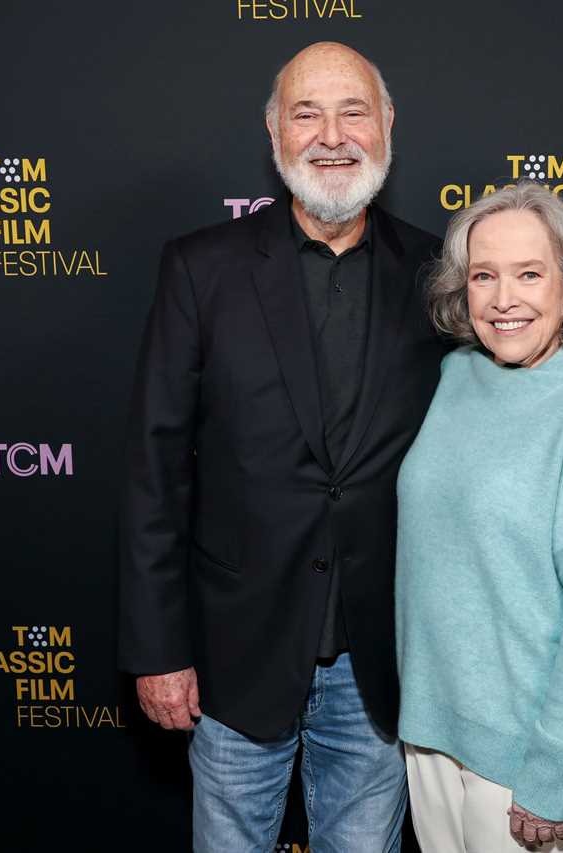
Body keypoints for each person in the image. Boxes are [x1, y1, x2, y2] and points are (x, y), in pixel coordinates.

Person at [117, 41, 445, 852]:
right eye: (307, 113)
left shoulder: (441, 271)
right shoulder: (202, 269)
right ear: (274, 135)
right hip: (235, 657)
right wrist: (159, 648)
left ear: (388, 125)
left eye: (353, 111)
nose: (332, 134)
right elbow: (154, 471)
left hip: (382, 663)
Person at [395, 182, 563, 851]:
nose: (504, 299)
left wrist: (551, 770)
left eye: (529, 274)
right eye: (485, 275)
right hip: (431, 737)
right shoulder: (453, 379)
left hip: (525, 762)